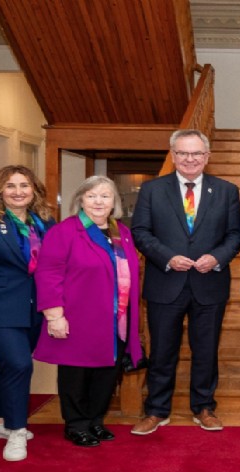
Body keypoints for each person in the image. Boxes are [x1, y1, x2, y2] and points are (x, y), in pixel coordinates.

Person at [130, 129, 240, 435]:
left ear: (207, 156)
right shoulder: (152, 190)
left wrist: (217, 258)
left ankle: (204, 407)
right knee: (162, 350)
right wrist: (167, 257)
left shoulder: (226, 190)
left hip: (210, 284)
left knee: (206, 350)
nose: (189, 159)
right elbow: (140, 232)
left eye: (196, 153)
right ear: (173, 155)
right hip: (165, 282)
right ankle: (156, 410)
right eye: (182, 153)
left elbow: (235, 235)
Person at [32, 176, 144, 447]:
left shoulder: (122, 233)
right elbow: (48, 275)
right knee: (76, 375)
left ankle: (95, 420)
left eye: (105, 196)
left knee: (107, 373)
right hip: (77, 318)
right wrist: (54, 315)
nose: (98, 201)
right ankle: (76, 424)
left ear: (114, 202)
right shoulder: (65, 231)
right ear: (81, 199)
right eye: (92, 195)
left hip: (115, 320)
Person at [0, 165, 55, 461]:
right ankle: (16, 431)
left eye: (24, 185)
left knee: (9, 366)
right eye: (11, 186)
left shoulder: (44, 221)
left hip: (34, 309)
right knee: (19, 365)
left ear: (34, 190)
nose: (18, 191)